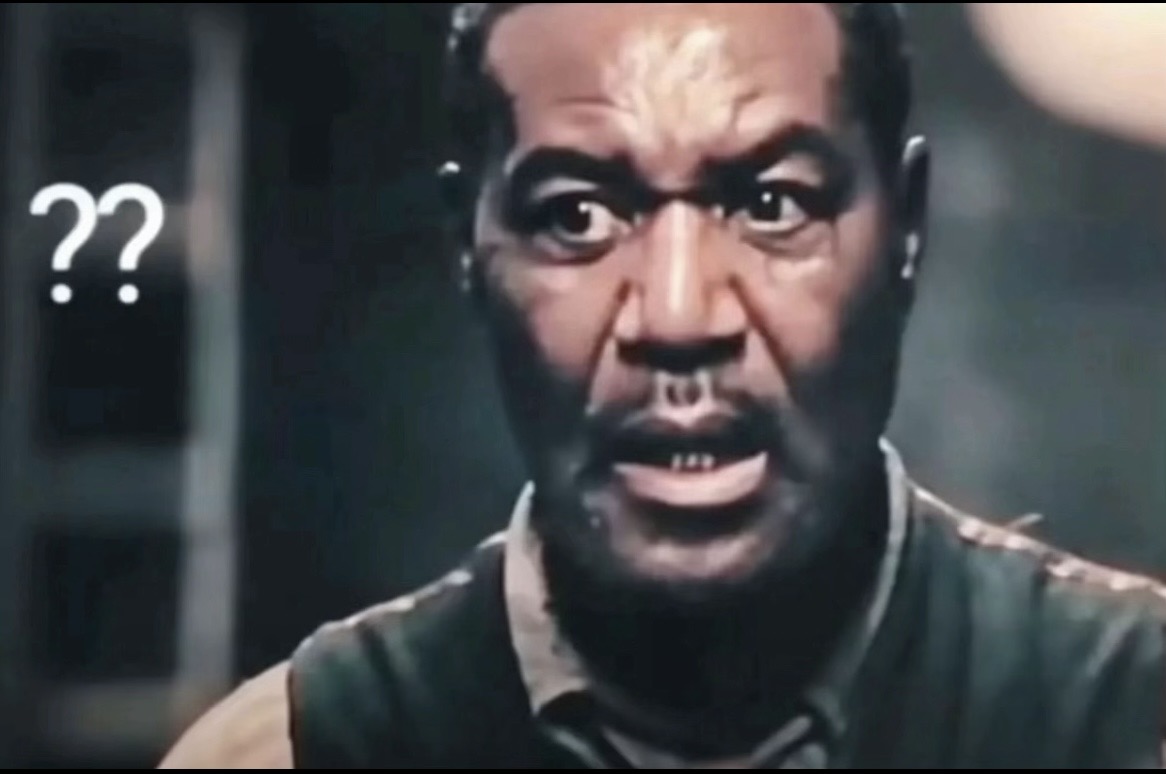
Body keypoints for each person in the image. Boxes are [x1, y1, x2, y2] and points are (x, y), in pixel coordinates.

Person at [159, 3, 1166, 768]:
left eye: (771, 203)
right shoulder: (295, 753)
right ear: (468, 246)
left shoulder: (1129, 715)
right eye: (578, 217)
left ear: (905, 227)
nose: (679, 316)